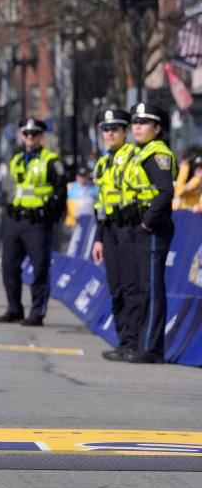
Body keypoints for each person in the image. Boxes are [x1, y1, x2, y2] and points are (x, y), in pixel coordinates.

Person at [0, 118, 66, 326]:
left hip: (38, 222)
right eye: (26, 134)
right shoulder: (16, 160)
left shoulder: (51, 161)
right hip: (17, 220)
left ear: (41, 136)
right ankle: (14, 308)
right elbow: (10, 187)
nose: (30, 138)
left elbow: (61, 193)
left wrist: (51, 218)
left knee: (39, 268)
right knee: (9, 265)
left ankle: (37, 313)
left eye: (34, 134)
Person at [118, 103, 175, 363]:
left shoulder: (157, 154)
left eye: (144, 123)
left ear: (157, 128)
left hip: (151, 229)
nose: (137, 127)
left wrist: (147, 223)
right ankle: (139, 344)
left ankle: (151, 348)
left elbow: (165, 192)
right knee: (140, 289)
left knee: (151, 289)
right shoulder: (139, 153)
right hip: (137, 227)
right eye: (135, 123)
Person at [89, 108, 138, 361]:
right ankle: (123, 340)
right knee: (116, 287)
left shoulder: (134, 156)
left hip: (130, 227)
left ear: (125, 131)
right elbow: (102, 204)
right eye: (105, 130)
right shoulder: (103, 162)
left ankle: (134, 341)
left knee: (131, 287)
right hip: (109, 229)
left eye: (115, 129)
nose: (109, 133)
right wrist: (98, 237)